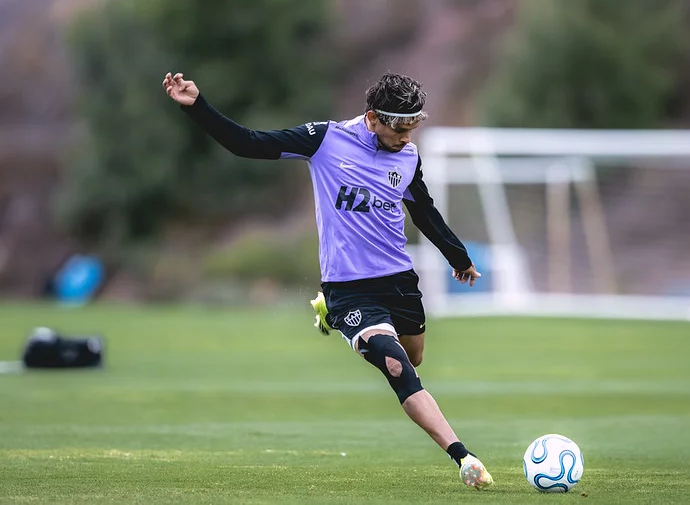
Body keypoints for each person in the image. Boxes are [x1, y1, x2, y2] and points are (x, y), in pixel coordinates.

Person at [163, 71, 493, 490]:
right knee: (396, 366)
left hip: (398, 280)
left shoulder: (407, 156)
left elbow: (423, 210)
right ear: (372, 118)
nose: (408, 137)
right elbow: (248, 144)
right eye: (400, 127)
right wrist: (197, 107)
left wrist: (458, 257)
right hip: (350, 286)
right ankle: (463, 457)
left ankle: (333, 318)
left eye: (414, 127)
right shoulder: (324, 140)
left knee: (414, 356)